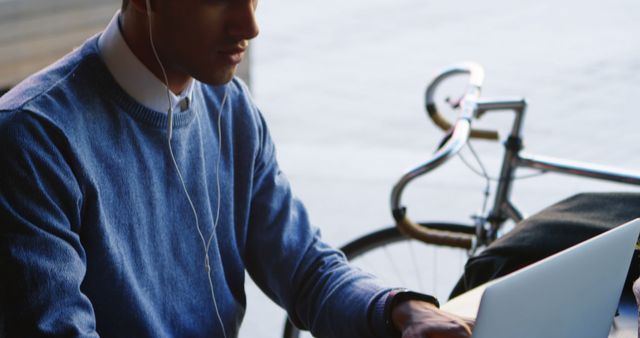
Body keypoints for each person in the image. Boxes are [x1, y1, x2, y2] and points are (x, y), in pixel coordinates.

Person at [0, 0, 474, 337]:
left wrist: (401, 310)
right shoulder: (33, 137)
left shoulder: (230, 108)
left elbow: (305, 267)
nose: (249, 24)